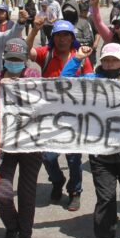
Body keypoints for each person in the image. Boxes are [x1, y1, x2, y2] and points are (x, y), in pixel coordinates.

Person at [61, 43, 120, 238]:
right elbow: (63, 84)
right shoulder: (90, 80)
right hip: (101, 154)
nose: (109, 64)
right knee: (106, 197)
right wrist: (77, 59)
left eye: (113, 60)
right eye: (106, 60)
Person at [26, 17, 92, 211]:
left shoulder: (80, 56)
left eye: (66, 36)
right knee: (48, 157)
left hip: (75, 117)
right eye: (58, 36)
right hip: (49, 117)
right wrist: (34, 31)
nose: (62, 39)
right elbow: (26, 52)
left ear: (72, 38)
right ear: (52, 38)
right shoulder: (45, 54)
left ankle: (75, 191)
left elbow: (91, 83)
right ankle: (57, 181)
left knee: (74, 159)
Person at [0, 39, 42, 238]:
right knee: (3, 193)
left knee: (27, 192)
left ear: (26, 60)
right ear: (4, 59)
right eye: (11, 59)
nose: (15, 63)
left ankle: (25, 236)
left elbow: (40, 102)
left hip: (30, 144)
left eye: (19, 60)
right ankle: (11, 228)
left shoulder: (33, 76)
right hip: (3, 145)